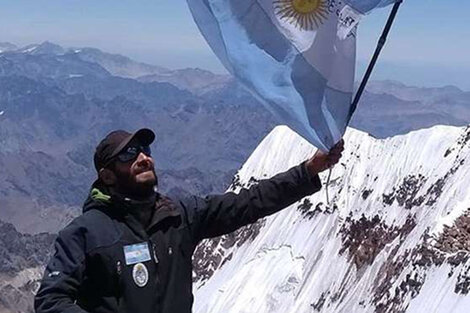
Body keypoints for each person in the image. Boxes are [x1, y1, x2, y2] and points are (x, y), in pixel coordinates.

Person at [35, 128, 344, 313]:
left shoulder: (179, 216)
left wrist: (308, 170)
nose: (143, 157)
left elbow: (248, 202)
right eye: (128, 154)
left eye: (144, 149)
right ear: (107, 176)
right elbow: (51, 299)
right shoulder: (86, 233)